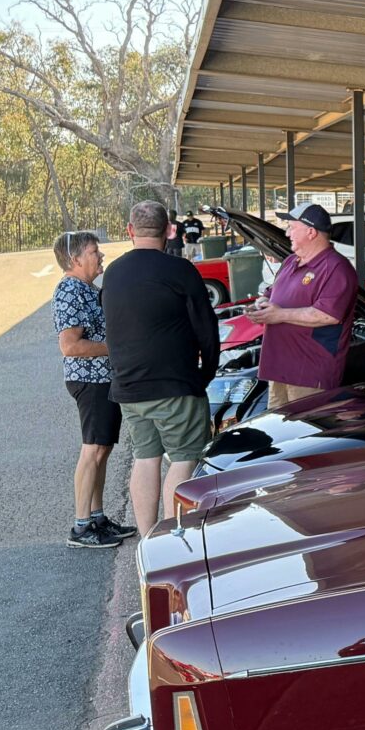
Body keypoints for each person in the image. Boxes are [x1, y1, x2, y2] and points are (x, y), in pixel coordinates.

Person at [102, 199, 220, 534]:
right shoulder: (181, 270)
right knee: (183, 458)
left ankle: (147, 537)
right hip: (175, 384)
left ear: (130, 230)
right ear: (170, 230)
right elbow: (207, 328)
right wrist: (206, 374)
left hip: (129, 387)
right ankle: (172, 541)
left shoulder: (113, 272)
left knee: (145, 457)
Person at [51, 231, 135, 549]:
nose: (100, 256)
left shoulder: (86, 288)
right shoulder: (70, 291)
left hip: (104, 378)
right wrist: (116, 348)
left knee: (102, 449)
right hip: (90, 380)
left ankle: (97, 518)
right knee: (92, 450)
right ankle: (81, 526)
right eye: (93, 252)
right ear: (75, 259)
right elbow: (70, 346)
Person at [245, 202, 359, 410]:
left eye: (292, 228)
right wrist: (262, 303)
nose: (287, 233)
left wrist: (279, 315)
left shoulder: (336, 268)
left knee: (305, 426)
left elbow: (327, 315)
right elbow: (273, 292)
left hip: (308, 374)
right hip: (279, 368)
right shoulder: (291, 262)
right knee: (277, 425)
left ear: (311, 232)